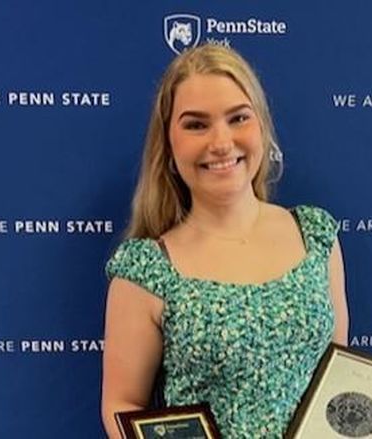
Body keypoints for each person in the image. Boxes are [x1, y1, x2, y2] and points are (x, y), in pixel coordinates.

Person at [101, 44, 348, 438]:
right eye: (196, 125)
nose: (221, 142)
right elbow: (122, 407)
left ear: (262, 127)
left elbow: (340, 387)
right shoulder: (146, 270)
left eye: (238, 118)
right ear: (168, 144)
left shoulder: (317, 237)